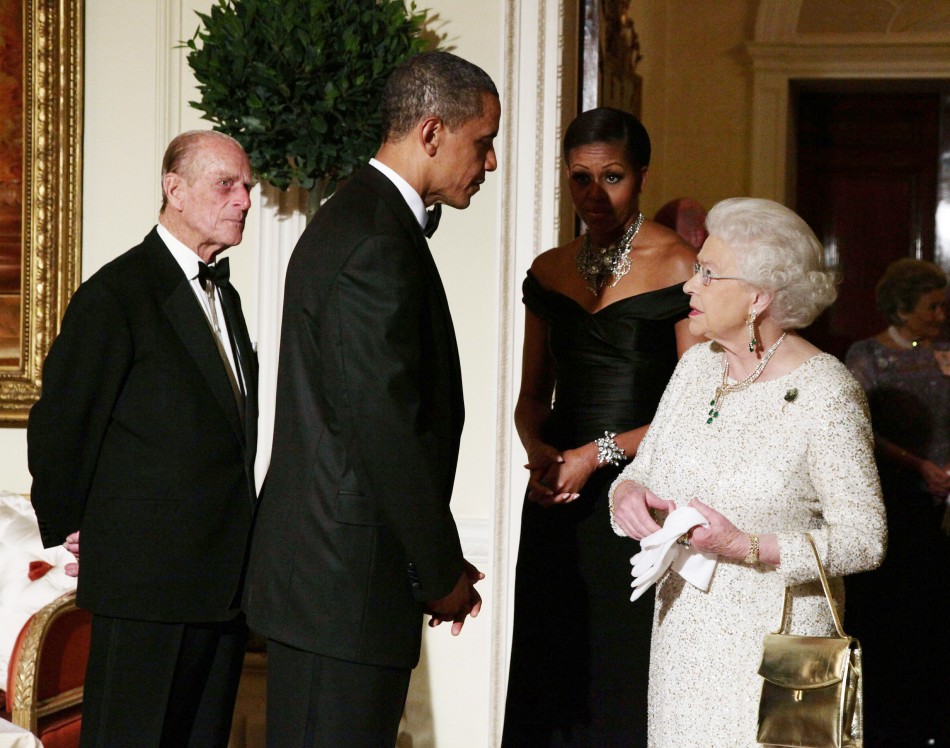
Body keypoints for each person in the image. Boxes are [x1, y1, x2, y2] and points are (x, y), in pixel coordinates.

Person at [243, 51, 499, 747]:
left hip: (343, 580)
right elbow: (383, 427)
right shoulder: (372, 238)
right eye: (483, 141)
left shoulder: (364, 219)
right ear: (432, 132)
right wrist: (438, 570)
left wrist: (434, 559)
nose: (490, 161)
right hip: (340, 586)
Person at [609, 197, 887, 746]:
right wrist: (629, 494)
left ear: (758, 297)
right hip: (684, 645)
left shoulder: (826, 392)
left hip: (780, 655)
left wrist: (747, 546)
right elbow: (643, 470)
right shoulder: (696, 368)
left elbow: (865, 539)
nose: (690, 286)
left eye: (708, 274)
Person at [27, 130, 258, 747]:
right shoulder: (115, 294)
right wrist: (74, 524)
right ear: (174, 189)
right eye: (227, 185)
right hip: (145, 589)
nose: (243, 200)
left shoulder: (227, 296)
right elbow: (61, 425)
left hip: (223, 589)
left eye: (247, 187)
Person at [502, 107, 701, 747]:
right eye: (579, 178)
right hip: (558, 494)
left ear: (640, 175)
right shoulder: (549, 270)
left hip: (640, 493)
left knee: (623, 668)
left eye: (611, 176)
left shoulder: (679, 264)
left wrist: (598, 454)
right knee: (553, 667)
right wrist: (539, 450)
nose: (594, 193)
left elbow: (695, 406)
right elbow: (531, 397)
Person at [844, 258, 950, 747]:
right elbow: (859, 426)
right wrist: (918, 466)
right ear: (903, 308)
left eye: (944, 306)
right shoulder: (867, 355)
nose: (941, 316)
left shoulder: (945, 350)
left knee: (936, 609)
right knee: (894, 608)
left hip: (943, 495)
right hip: (895, 495)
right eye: (932, 307)